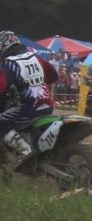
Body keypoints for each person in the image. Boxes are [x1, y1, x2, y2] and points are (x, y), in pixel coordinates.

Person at [0, 31, 58, 169]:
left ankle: (25, 150)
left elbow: (2, 87)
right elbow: (53, 77)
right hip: (47, 106)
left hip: (28, 109)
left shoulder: (8, 64)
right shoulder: (36, 58)